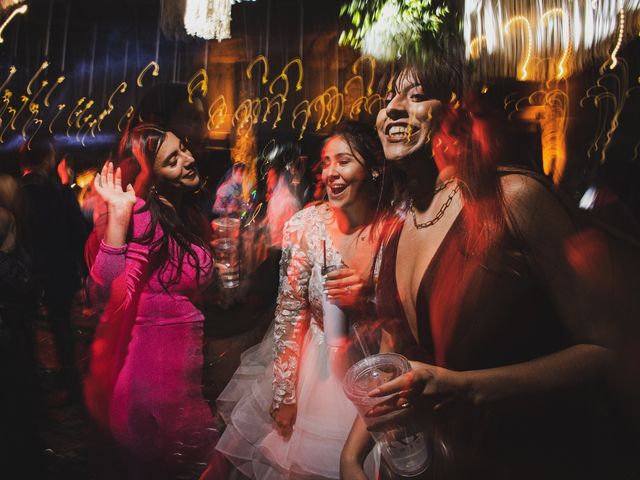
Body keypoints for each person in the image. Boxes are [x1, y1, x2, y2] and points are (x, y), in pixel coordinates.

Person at [340, 58, 636, 479]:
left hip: (520, 457)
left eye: (418, 95)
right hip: (437, 464)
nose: (393, 109)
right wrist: (352, 454)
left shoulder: (513, 199)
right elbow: (392, 357)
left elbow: (607, 349)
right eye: (387, 99)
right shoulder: (395, 235)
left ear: (457, 114)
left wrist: (468, 388)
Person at [215, 121, 393, 479]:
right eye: (326, 163)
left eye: (343, 161)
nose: (331, 173)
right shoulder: (306, 225)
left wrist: (369, 297)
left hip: (377, 367)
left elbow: (409, 308)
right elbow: (289, 313)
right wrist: (285, 393)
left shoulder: (395, 227)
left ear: (373, 167)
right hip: (320, 374)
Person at [84, 123, 223, 480]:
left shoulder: (178, 213)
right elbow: (103, 295)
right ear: (152, 175)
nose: (189, 160)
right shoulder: (143, 215)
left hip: (178, 389)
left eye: (184, 149)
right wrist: (118, 217)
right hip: (153, 395)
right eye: (172, 160)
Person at [19, 137, 88, 404]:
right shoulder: (60, 194)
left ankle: (32, 386)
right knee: (62, 330)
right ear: (48, 160)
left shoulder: (13, 193)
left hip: (26, 273)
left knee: (25, 330)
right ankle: (70, 383)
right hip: (59, 273)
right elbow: (80, 233)